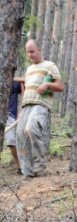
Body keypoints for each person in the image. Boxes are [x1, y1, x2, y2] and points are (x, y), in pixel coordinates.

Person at [16, 39, 64, 177]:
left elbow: (60, 86)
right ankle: (28, 171)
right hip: (26, 105)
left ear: (39, 49)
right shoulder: (29, 69)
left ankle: (40, 166)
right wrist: (21, 110)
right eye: (28, 52)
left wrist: (47, 85)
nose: (30, 55)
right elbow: (26, 91)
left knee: (31, 128)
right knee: (20, 134)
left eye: (32, 51)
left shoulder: (49, 66)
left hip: (40, 105)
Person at [5, 79, 24, 174]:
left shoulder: (15, 81)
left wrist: (22, 109)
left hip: (9, 115)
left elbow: (27, 82)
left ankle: (20, 167)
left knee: (11, 141)